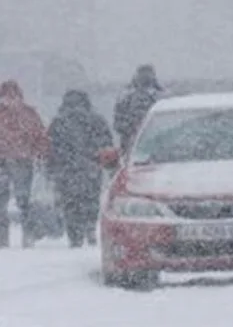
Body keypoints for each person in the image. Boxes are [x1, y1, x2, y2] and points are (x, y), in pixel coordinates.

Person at [48, 90, 113, 248]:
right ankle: (90, 228)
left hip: (66, 169)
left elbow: (51, 147)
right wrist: (100, 159)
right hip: (90, 166)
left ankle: (74, 235)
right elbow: (106, 141)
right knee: (90, 199)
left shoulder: (59, 121)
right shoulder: (96, 120)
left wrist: (51, 167)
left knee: (70, 202)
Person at [0, 80, 50, 248]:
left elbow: (40, 136)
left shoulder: (16, 114)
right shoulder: (29, 113)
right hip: (22, 160)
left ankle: (3, 238)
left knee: (5, 200)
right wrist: (40, 153)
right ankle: (27, 236)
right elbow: (40, 136)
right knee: (24, 200)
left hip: (7, 161)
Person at [113, 64, 163, 154]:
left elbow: (118, 123)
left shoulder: (125, 96)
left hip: (135, 144)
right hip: (146, 144)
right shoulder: (160, 96)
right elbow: (118, 124)